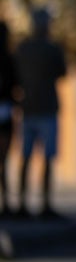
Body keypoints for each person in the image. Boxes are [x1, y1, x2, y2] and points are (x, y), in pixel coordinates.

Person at [13, 8, 68, 219]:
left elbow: (16, 75)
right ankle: (45, 203)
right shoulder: (52, 49)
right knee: (47, 158)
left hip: (28, 108)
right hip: (46, 108)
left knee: (26, 157)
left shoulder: (23, 48)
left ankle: (22, 203)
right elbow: (62, 72)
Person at [0, 21, 19, 216]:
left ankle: (6, 202)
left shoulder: (10, 60)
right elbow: (16, 85)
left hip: (5, 111)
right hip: (5, 112)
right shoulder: (9, 59)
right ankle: (5, 202)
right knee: (4, 160)